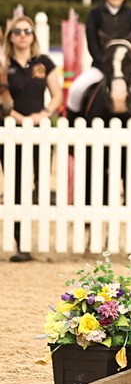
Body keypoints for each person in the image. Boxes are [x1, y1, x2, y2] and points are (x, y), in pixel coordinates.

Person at [2, 16, 63, 261]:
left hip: (39, 131)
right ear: (11, 36)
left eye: (27, 31)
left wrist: (44, 114)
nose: (22, 35)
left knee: (39, 185)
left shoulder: (43, 63)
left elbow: (57, 95)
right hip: (11, 130)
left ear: (33, 35)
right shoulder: (4, 64)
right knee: (15, 185)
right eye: (17, 31)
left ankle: (36, 237)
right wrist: (17, 117)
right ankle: (21, 244)